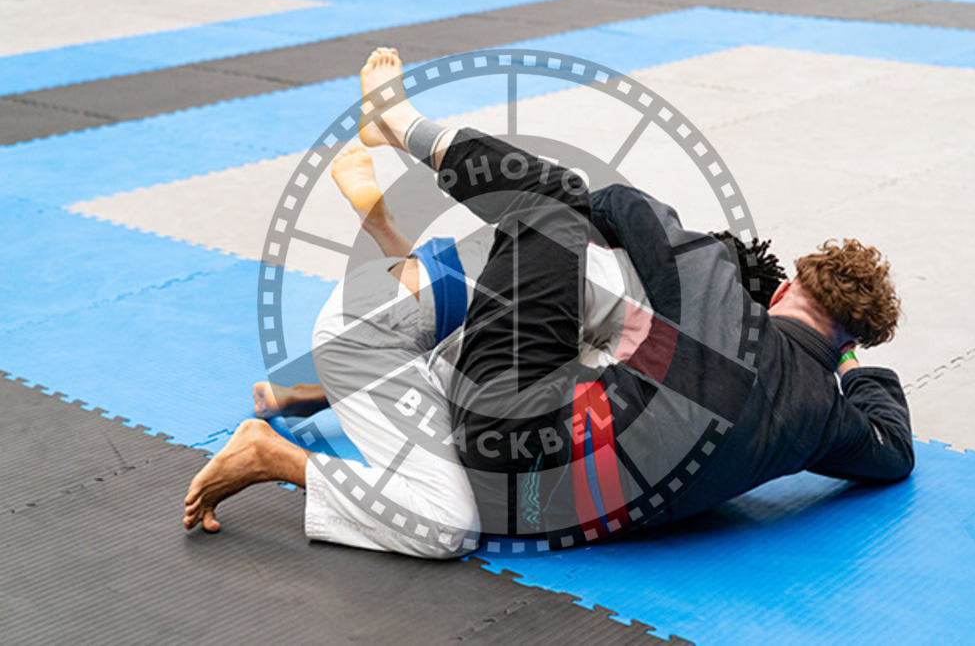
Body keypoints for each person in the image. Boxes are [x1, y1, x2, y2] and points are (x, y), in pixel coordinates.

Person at [184, 48, 913, 556]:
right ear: (849, 342)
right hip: (527, 472)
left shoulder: (717, 290)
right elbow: (895, 452)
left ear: (783, 290)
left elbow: (622, 203)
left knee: (561, 210)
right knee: (585, 303)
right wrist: (851, 370)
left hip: (501, 414)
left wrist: (554, 236)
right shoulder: (825, 419)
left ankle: (401, 131)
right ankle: (372, 280)